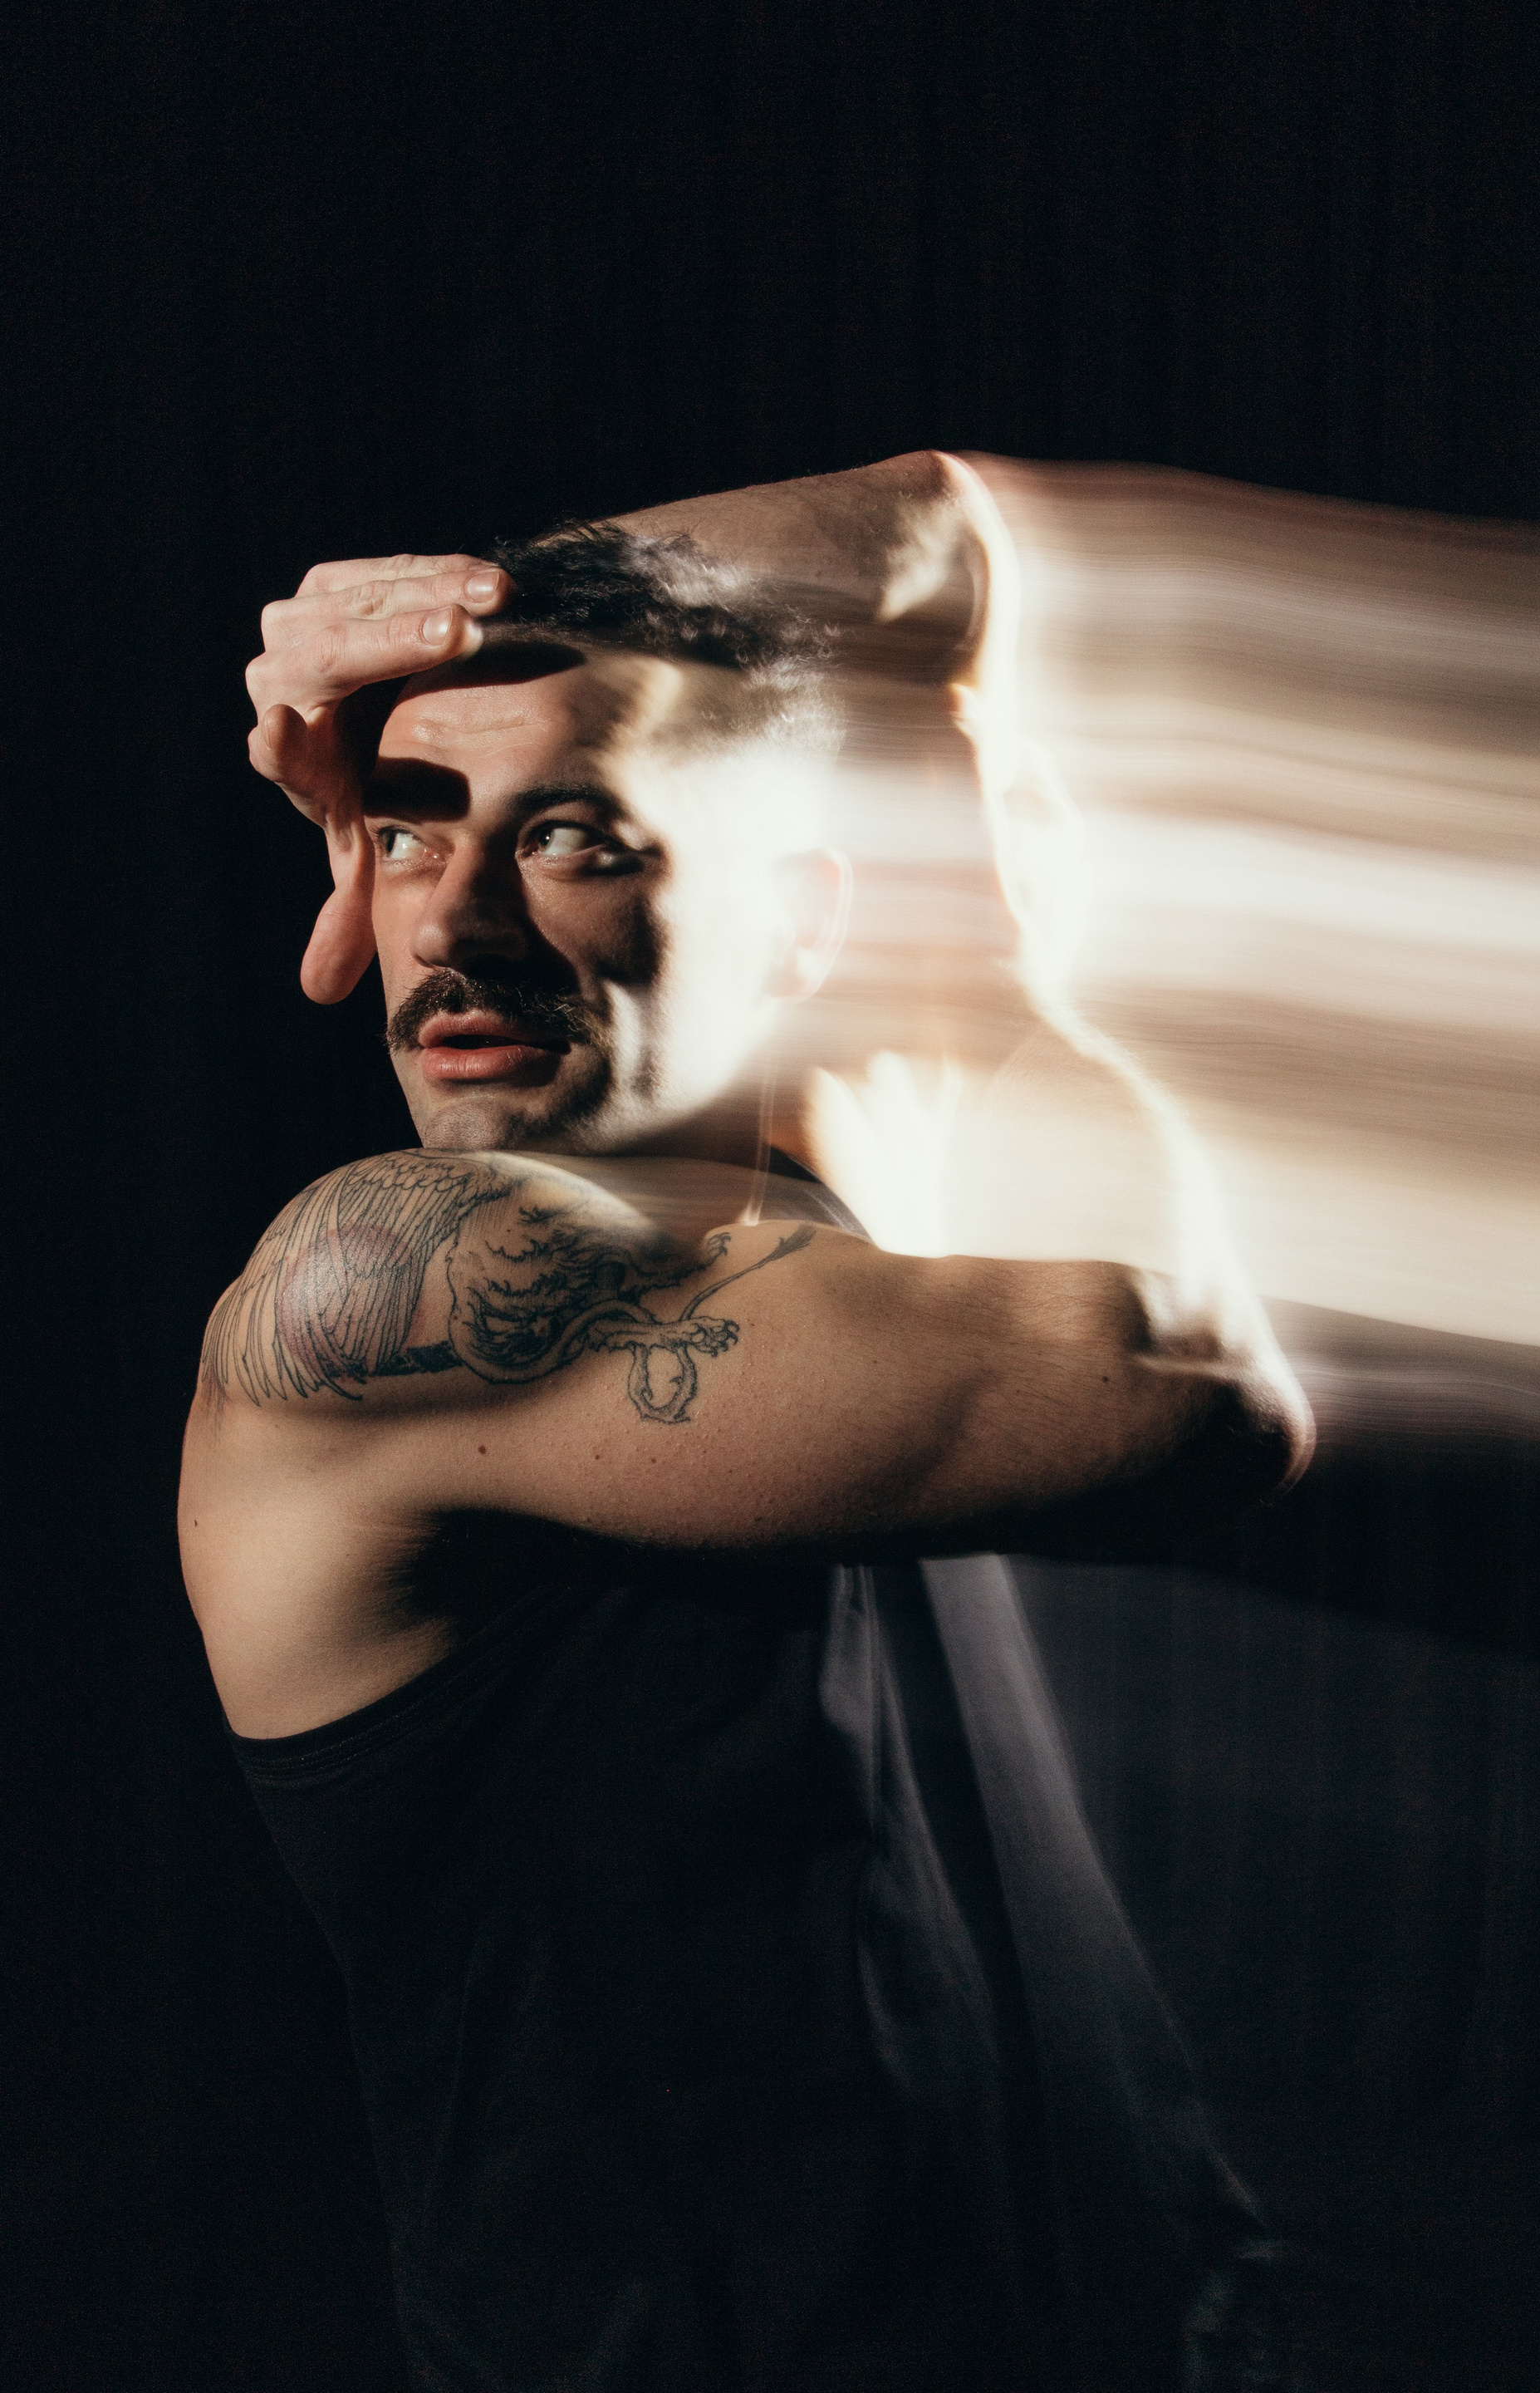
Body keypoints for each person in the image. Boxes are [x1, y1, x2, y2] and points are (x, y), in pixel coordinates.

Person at [180, 452, 1310, 2393]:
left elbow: (936, 543)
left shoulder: (817, 1194)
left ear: (794, 927)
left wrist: (491, 596)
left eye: (575, 837)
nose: (454, 926)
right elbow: (1184, 1381)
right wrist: (968, 908)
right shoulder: (376, 1286)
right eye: (407, 835)